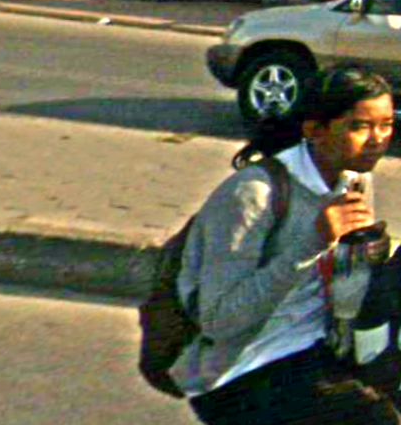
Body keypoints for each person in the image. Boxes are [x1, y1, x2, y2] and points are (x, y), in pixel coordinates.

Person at [169, 65, 401, 424]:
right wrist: (313, 241)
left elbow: (336, 285)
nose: (377, 140)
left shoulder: (352, 179)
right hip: (242, 370)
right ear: (315, 130)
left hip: (318, 346)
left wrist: (365, 256)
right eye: (359, 126)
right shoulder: (254, 194)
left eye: (386, 124)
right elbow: (219, 320)